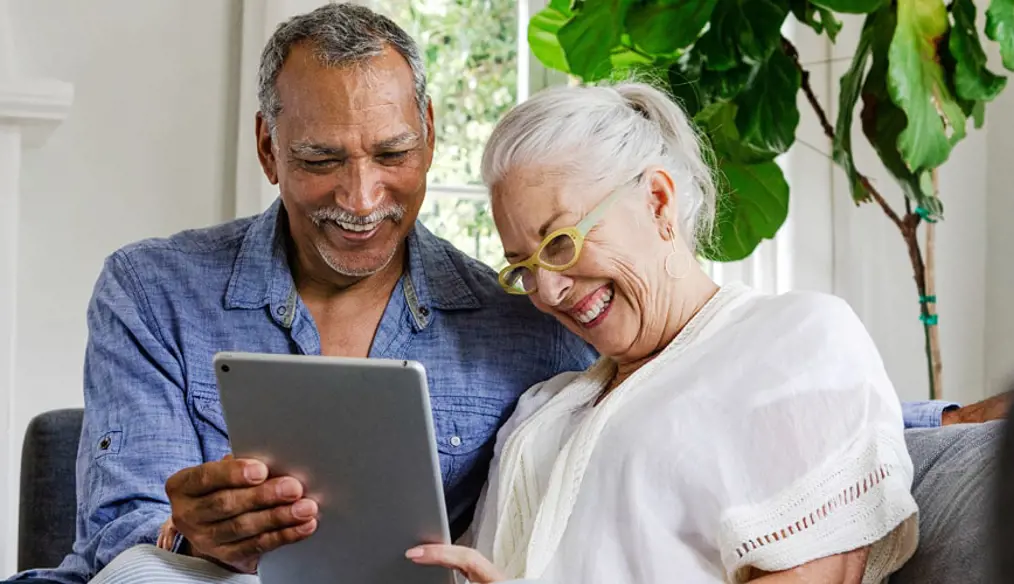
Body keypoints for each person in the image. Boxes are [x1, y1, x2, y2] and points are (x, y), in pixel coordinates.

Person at [2, 3, 1004, 584]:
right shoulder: (153, 288)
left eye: (392, 154)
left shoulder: (545, 334)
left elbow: (767, 391)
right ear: (268, 148)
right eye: (319, 160)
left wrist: (959, 416)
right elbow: (118, 540)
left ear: (428, 139)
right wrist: (184, 530)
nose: (359, 198)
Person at [403, 81, 919, 583]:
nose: (549, 291)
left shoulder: (797, 339)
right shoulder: (546, 405)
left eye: (560, 242)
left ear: (656, 201)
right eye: (524, 268)